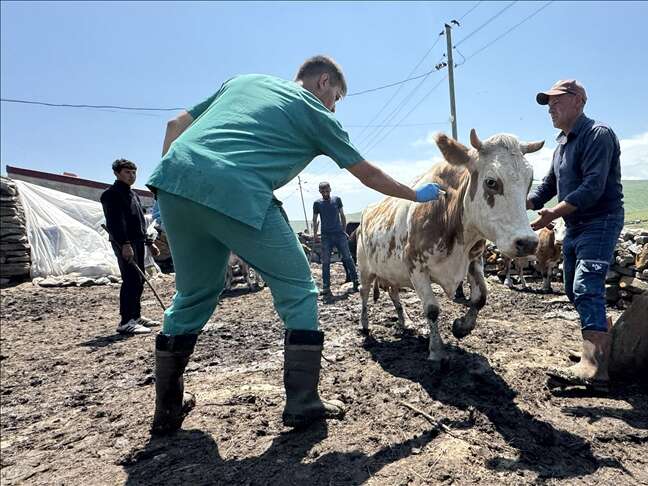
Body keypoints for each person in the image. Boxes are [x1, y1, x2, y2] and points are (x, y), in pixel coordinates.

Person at [146, 55, 442, 435]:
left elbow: (176, 124)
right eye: (336, 96)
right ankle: (303, 403)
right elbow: (367, 174)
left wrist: (172, 186)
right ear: (323, 82)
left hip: (172, 183)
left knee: (192, 295)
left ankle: (166, 411)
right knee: (300, 291)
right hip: (238, 190)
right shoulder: (317, 113)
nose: (334, 106)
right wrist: (416, 194)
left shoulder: (243, 79)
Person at [527, 80, 624, 392]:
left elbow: (594, 187)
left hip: (600, 221)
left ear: (579, 101)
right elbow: (546, 188)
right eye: (548, 104)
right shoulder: (562, 146)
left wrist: (552, 215)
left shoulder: (598, 135)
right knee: (572, 288)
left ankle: (596, 370)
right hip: (575, 225)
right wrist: (519, 204)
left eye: (557, 102)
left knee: (586, 287)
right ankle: (597, 352)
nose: (551, 109)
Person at [100, 158, 162, 335]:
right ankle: (126, 321)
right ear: (117, 173)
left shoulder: (132, 194)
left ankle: (136, 316)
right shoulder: (111, 194)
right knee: (131, 280)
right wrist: (125, 244)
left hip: (137, 241)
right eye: (127, 172)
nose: (131, 176)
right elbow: (115, 222)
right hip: (124, 242)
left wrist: (150, 244)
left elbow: (140, 221)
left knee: (140, 278)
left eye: (133, 172)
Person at [312, 181, 358, 299]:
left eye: (327, 191)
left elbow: (342, 215)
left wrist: (343, 230)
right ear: (320, 191)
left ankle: (356, 282)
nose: (325, 193)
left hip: (339, 234)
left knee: (348, 258)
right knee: (325, 262)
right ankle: (326, 287)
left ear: (330, 189)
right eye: (323, 191)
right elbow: (315, 219)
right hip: (326, 236)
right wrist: (316, 235)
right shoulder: (317, 203)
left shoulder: (337, 200)